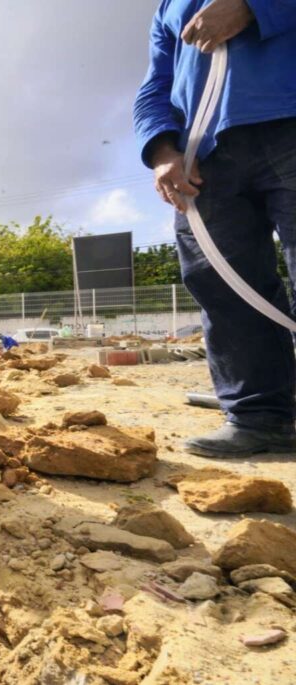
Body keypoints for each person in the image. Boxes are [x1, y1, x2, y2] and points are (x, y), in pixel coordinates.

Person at [134, 0, 296, 458]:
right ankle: (258, 417)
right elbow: (156, 84)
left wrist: (256, 7)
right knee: (224, 284)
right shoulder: (170, 7)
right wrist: (162, 149)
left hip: (288, 122)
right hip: (205, 156)